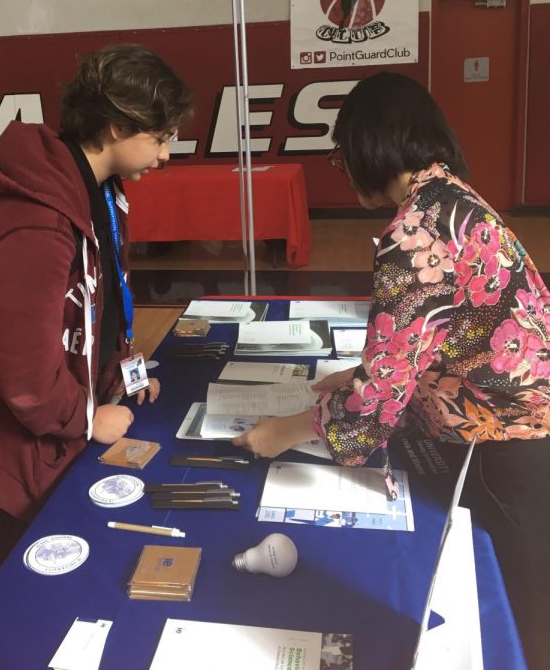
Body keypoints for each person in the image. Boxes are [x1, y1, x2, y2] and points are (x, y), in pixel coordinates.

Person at [233, 71, 550, 669]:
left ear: (369, 145)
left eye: (341, 152)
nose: (342, 165)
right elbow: (440, 330)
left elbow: (374, 409)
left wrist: (285, 430)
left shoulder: (416, 230)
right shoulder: (451, 197)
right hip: (521, 430)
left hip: (504, 446)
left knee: (516, 615)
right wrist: (364, 368)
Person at [0, 43, 193, 585]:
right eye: (161, 137)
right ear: (119, 127)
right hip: (11, 441)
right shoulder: (34, 217)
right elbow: (22, 368)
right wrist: (84, 417)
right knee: (20, 576)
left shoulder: (97, 190)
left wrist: (123, 368)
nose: (167, 154)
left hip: (59, 414)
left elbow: (94, 302)